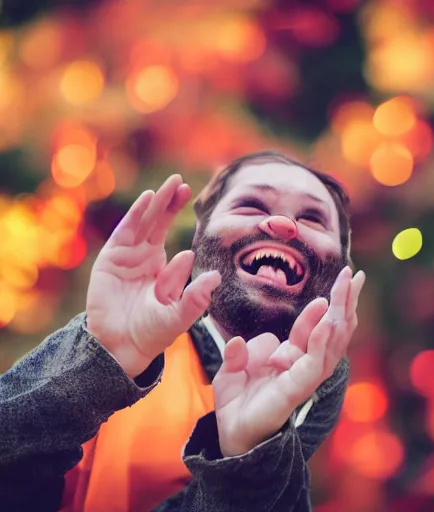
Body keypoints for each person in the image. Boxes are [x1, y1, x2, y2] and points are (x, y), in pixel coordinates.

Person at [0, 151, 365, 512]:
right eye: (252, 205)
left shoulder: (319, 403)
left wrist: (246, 459)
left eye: (314, 218)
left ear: (339, 268)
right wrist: (99, 361)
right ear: (200, 235)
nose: (283, 224)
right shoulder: (126, 336)